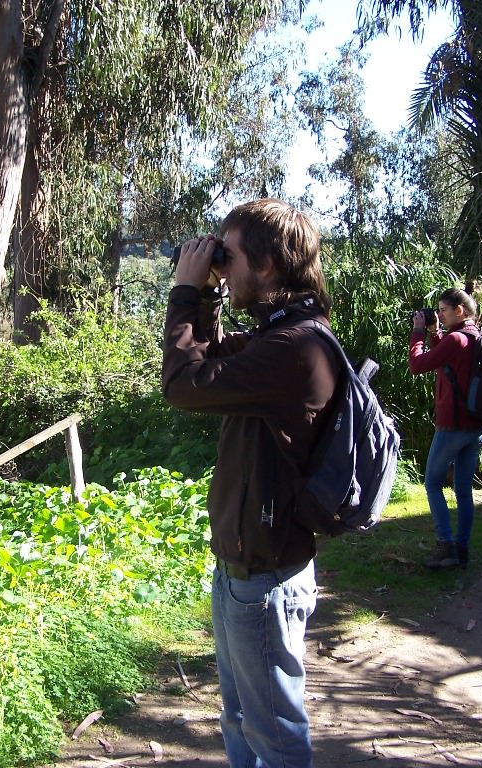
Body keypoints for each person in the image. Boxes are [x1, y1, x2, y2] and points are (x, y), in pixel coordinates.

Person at [161, 198, 338, 768]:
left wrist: (186, 293)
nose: (221, 265)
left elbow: (183, 385)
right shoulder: (280, 336)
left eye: (228, 256)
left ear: (265, 266)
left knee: (274, 734)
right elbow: (207, 361)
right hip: (245, 569)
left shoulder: (292, 348)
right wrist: (209, 292)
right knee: (241, 720)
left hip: (264, 577)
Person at [408, 287, 482, 569]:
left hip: (452, 426)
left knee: (431, 484)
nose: (439, 314)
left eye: (443, 310)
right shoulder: (475, 336)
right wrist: (434, 333)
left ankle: (446, 546)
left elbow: (418, 365)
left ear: (459, 311)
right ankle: (462, 548)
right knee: (464, 490)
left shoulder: (456, 339)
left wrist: (418, 332)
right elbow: (450, 363)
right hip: (476, 425)